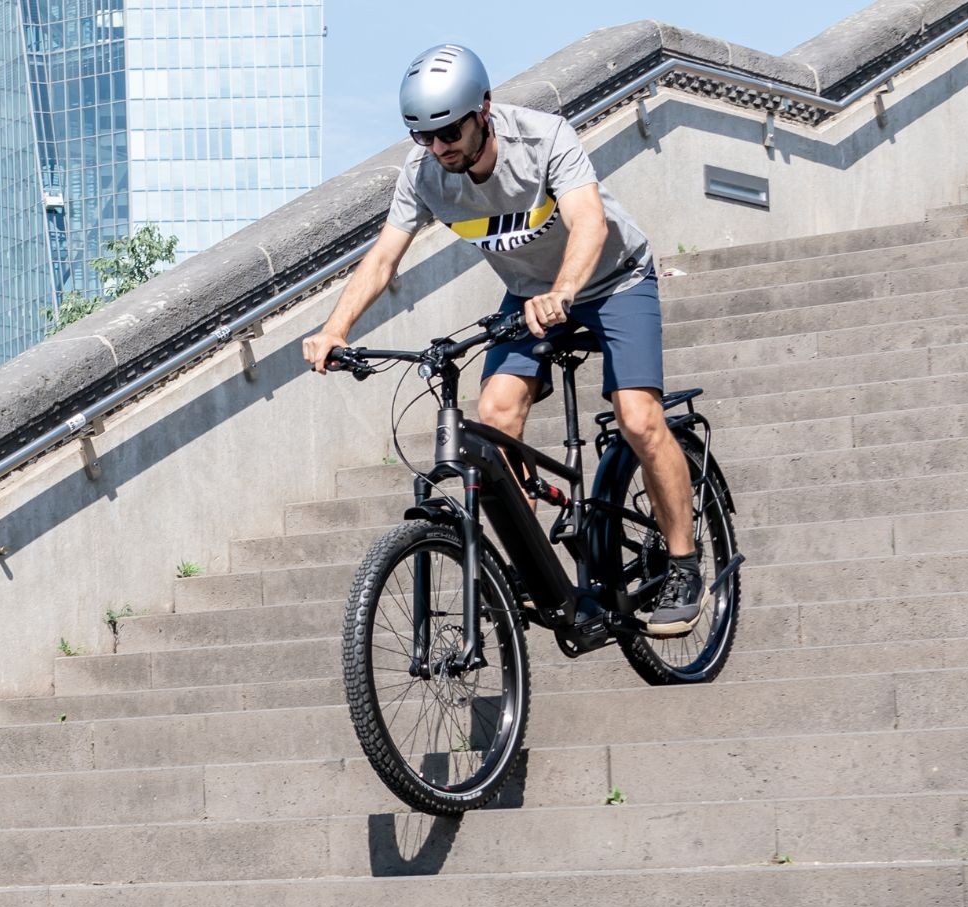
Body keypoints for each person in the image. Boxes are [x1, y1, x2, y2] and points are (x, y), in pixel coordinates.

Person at [301, 42, 705, 635]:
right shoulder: (424, 175)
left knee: (639, 420)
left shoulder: (543, 139)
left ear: (482, 109)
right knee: (493, 414)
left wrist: (564, 292)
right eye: (424, 137)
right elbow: (385, 257)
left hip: (613, 280)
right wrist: (336, 328)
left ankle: (684, 562)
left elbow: (589, 223)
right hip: (528, 295)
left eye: (449, 132)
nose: (439, 149)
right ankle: (533, 563)